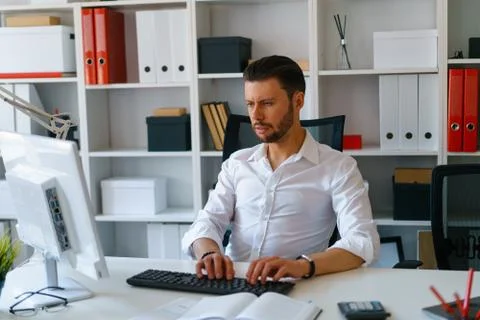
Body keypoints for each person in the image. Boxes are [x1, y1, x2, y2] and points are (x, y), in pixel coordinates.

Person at [182, 55, 379, 284]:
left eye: (267, 103)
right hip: (231, 284)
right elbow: (208, 222)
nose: (255, 115)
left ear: (297, 101)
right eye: (250, 104)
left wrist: (301, 265)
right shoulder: (238, 163)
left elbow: (363, 239)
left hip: (294, 287)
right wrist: (209, 254)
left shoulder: (338, 167)